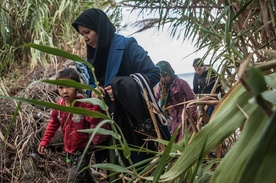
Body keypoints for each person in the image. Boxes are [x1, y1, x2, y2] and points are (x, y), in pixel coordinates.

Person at [72, 8, 170, 167]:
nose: (85, 38)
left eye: (87, 32)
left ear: (99, 28)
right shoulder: (93, 58)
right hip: (110, 127)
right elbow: (91, 83)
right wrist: (94, 92)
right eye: (82, 34)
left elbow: (153, 73)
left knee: (145, 167)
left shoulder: (127, 45)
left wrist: (119, 86)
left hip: (137, 124)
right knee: (117, 171)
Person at [37, 68, 110, 183]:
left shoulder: (82, 103)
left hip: (84, 147)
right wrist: (45, 141)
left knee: (75, 177)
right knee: (84, 174)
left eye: (68, 87)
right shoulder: (59, 106)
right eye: (61, 87)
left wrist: (97, 103)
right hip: (70, 148)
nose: (64, 91)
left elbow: (93, 118)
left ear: (77, 87)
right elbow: (53, 123)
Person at [155, 61, 198, 142]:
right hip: (173, 118)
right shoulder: (161, 86)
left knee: (184, 139)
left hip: (185, 115)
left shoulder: (182, 83)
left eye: (165, 75)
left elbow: (192, 99)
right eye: (161, 76)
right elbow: (156, 98)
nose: (164, 79)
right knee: (174, 139)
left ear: (169, 72)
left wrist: (191, 116)